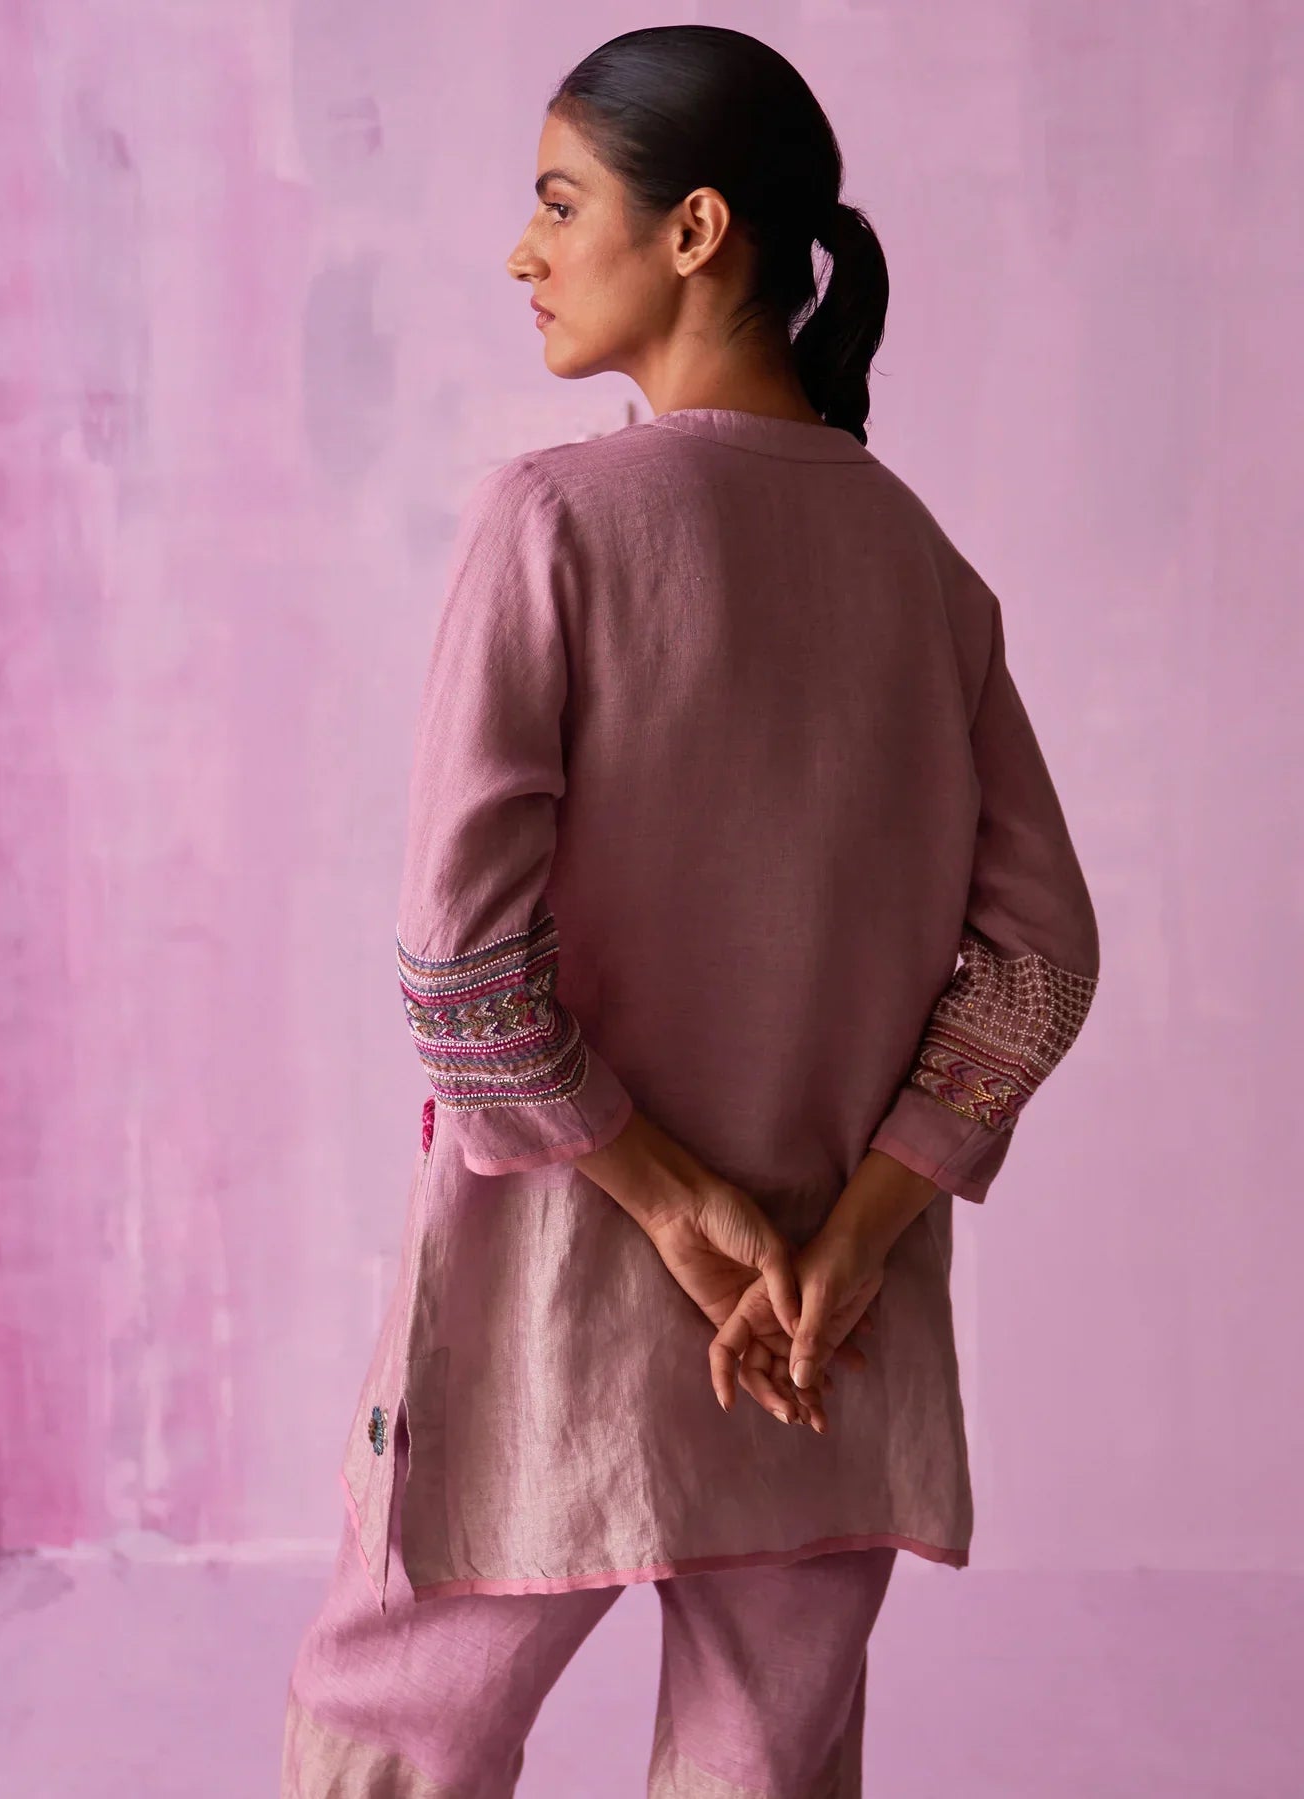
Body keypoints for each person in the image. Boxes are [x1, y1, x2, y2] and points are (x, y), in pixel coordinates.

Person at [281, 22, 1100, 1798]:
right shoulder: (924, 570)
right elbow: (1038, 963)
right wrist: (861, 1231)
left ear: (696, 229)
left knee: (395, 1731)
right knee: (766, 1762)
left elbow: (461, 970)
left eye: (558, 201)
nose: (523, 250)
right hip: (820, 1323)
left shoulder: (551, 523)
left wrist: (663, 1199)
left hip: (554, 1294)